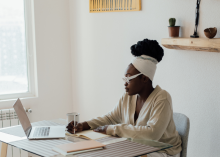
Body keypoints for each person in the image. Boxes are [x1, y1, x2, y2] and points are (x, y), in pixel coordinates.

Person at [67, 39, 182, 157]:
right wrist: (84, 125)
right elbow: (111, 118)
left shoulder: (162, 98)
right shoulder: (128, 97)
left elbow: (152, 134)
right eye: (125, 78)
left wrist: (112, 129)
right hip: (139, 147)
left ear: (144, 78)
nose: (125, 83)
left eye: (129, 78)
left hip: (163, 151)